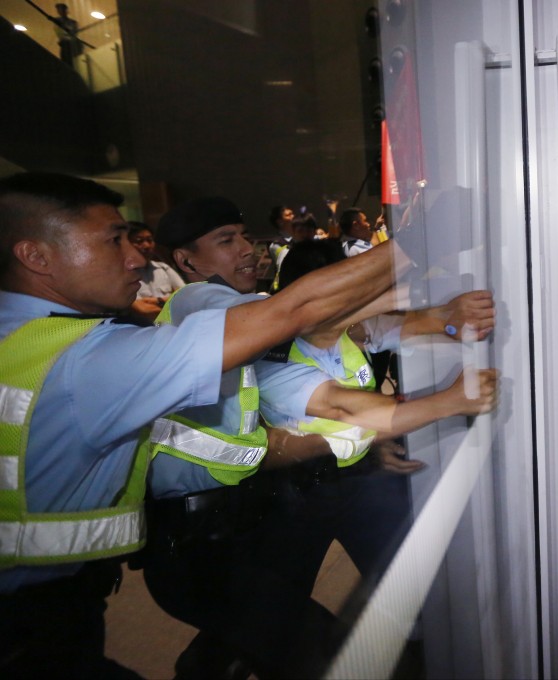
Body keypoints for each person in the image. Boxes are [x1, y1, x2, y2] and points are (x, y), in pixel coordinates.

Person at [0, 171, 410, 678]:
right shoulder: (85, 360)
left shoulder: (25, 341)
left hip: (64, 603)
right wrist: (416, 239)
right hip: (41, 614)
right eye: (112, 241)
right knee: (326, 653)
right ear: (35, 256)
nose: (135, 258)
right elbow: (296, 312)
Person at [141, 197, 496, 678]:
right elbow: (316, 338)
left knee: (283, 629)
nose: (247, 250)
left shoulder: (268, 315)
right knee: (304, 648)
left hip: (265, 505)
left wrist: (444, 315)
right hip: (212, 531)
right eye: (227, 241)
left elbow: (369, 327)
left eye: (244, 236)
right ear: (186, 261)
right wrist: (414, 252)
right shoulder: (197, 301)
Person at [127, 221, 185, 322]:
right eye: (139, 241)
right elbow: (144, 310)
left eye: (150, 240)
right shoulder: (124, 274)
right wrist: (171, 301)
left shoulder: (163, 268)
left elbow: (186, 295)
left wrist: (158, 301)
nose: (146, 245)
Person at [53, 3, 81, 67]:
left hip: (71, 44)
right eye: (59, 10)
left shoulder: (72, 22)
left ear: (66, 10)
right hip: (65, 43)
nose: (60, 11)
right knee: (66, 60)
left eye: (62, 9)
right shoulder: (56, 20)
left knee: (72, 60)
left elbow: (74, 32)